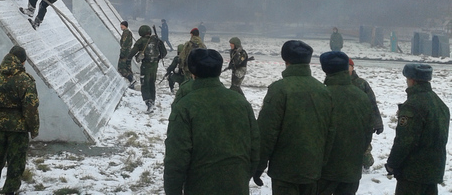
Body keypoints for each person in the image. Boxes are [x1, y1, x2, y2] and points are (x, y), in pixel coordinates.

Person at [164, 48, 260, 195]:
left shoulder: (185, 106)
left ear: (192, 71)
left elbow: (176, 158)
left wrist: (173, 191)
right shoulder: (240, 102)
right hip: (237, 185)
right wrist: (242, 177)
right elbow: (254, 147)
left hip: (200, 186)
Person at [254, 40, 335, 195]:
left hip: (285, 171)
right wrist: (320, 163)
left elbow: (266, 133)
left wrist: (258, 166)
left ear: (286, 60)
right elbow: (330, 131)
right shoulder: (323, 91)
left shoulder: (279, 90)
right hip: (312, 169)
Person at [0, 45, 40, 195]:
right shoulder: (25, 80)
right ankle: (10, 190)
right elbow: (31, 107)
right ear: (22, 61)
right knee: (16, 160)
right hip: (18, 129)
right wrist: (34, 128)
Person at [386, 63, 449, 195]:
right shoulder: (439, 103)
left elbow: (404, 141)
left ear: (411, 80)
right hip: (434, 170)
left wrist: (392, 164)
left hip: (413, 173)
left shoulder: (413, 105)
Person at [317, 51, 373, 195]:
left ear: (325, 69)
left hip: (324, 170)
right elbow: (368, 132)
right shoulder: (361, 96)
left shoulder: (321, 95)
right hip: (351, 169)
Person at [348, 58, 384, 170]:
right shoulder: (336, 84)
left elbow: (372, 104)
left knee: (365, 154)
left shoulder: (362, 84)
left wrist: (377, 123)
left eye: (348, 66)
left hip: (361, 123)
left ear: (352, 68)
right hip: (345, 122)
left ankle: (366, 163)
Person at [126, 25, 167, 113]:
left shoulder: (140, 41)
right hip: (155, 65)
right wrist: (158, 58)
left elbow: (132, 53)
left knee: (145, 83)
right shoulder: (156, 40)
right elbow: (164, 52)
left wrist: (128, 60)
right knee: (152, 83)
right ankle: (152, 99)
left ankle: (148, 102)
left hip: (145, 66)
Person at [118, 21, 136, 89]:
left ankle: (131, 79)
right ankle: (132, 82)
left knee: (121, 68)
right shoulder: (128, 32)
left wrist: (122, 53)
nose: (121, 27)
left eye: (122, 25)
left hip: (125, 53)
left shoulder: (126, 32)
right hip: (128, 52)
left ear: (125, 26)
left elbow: (124, 44)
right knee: (128, 67)